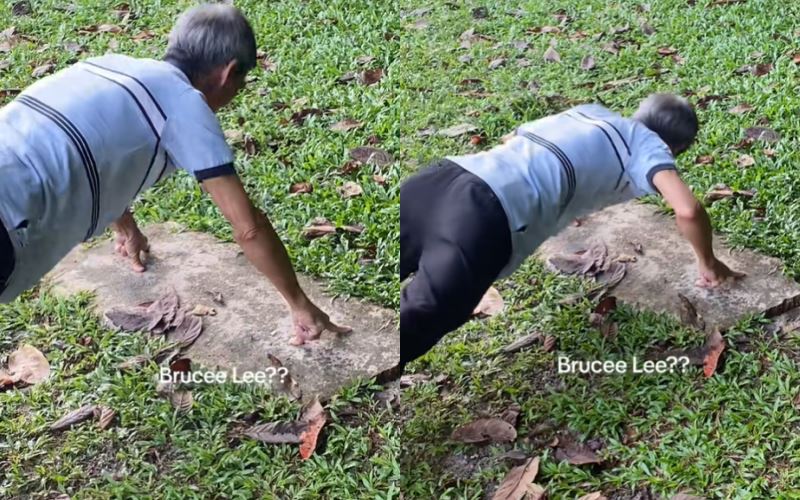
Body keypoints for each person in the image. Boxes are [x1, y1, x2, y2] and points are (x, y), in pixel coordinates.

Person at [0, 4, 349, 345]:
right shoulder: (184, 104)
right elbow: (248, 227)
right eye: (242, 83)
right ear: (228, 74)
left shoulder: (106, 65)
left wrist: (125, 226)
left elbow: (91, 147)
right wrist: (300, 305)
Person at [400, 93, 743, 366]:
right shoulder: (648, 145)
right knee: (420, 320)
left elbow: (521, 140)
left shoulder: (589, 112)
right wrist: (708, 263)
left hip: (439, 181)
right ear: (674, 148)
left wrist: (568, 199)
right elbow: (688, 209)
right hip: (482, 215)